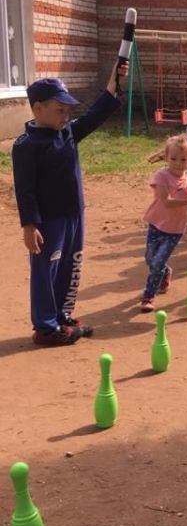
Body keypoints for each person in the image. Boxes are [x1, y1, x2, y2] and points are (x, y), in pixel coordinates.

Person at [12, 63, 127, 346]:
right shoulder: (26, 145)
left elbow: (93, 117)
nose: (66, 116)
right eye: (60, 110)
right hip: (47, 222)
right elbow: (25, 190)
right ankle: (45, 327)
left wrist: (113, 81)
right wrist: (30, 225)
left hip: (74, 214)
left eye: (68, 111)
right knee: (45, 271)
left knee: (70, 266)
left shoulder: (67, 132)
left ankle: (61, 315)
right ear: (38, 109)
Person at [140, 135, 187, 312]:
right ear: (166, 158)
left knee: (157, 262)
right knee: (150, 259)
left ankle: (148, 296)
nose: (178, 163)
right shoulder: (161, 176)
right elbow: (166, 201)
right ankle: (165, 273)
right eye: (173, 158)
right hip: (156, 224)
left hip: (175, 229)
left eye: (183, 159)